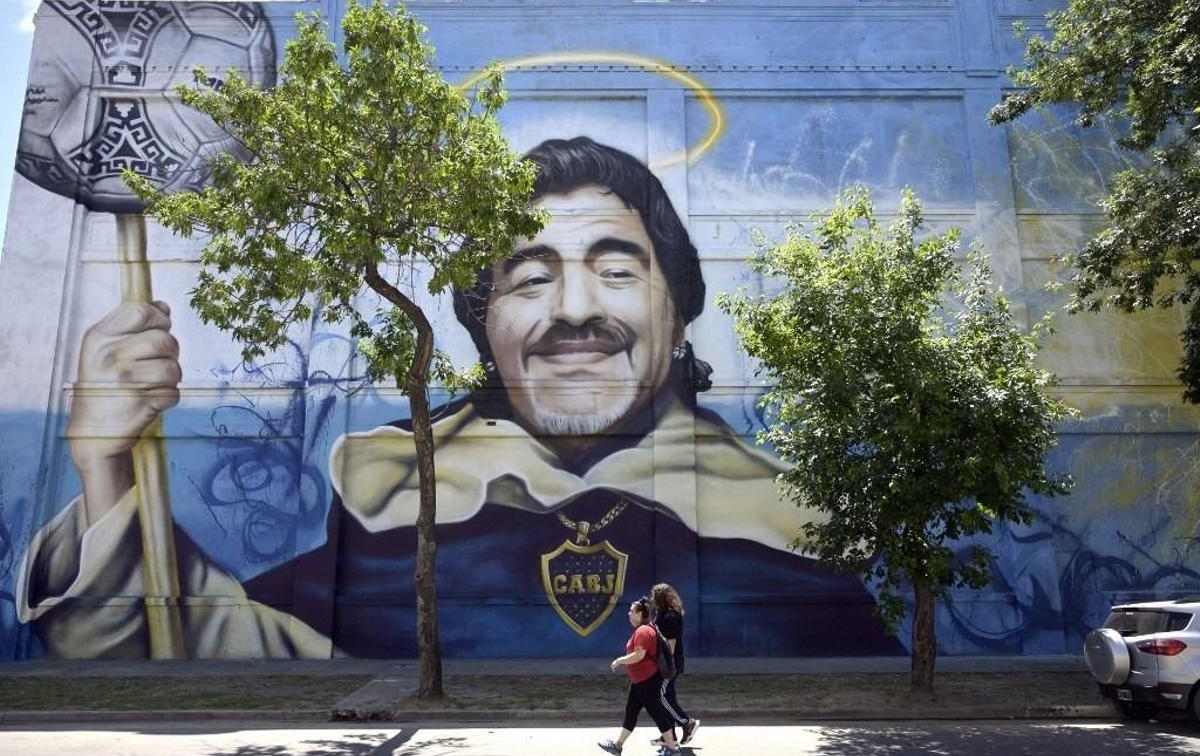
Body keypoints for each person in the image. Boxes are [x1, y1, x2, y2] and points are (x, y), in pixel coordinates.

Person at [16, 136, 901, 658]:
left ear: (680, 311)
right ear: (484, 325)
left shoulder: (792, 529)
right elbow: (205, 642)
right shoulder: (391, 501)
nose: (576, 310)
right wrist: (105, 467)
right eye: (529, 277)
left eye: (617, 269)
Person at [598, 598, 682, 756]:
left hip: (647, 680)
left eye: (631, 611)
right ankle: (617, 746)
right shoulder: (645, 629)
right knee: (631, 712)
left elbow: (639, 655)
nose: (629, 614)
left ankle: (673, 748)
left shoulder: (643, 631)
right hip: (640, 680)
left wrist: (620, 661)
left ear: (639, 613)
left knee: (656, 713)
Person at [650, 582, 698, 745]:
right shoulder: (663, 613)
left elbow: (671, 644)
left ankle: (686, 723)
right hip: (667, 663)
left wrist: (664, 666)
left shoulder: (670, 617)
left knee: (660, 696)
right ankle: (669, 736)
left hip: (669, 664)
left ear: (658, 598)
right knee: (669, 697)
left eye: (654, 597)